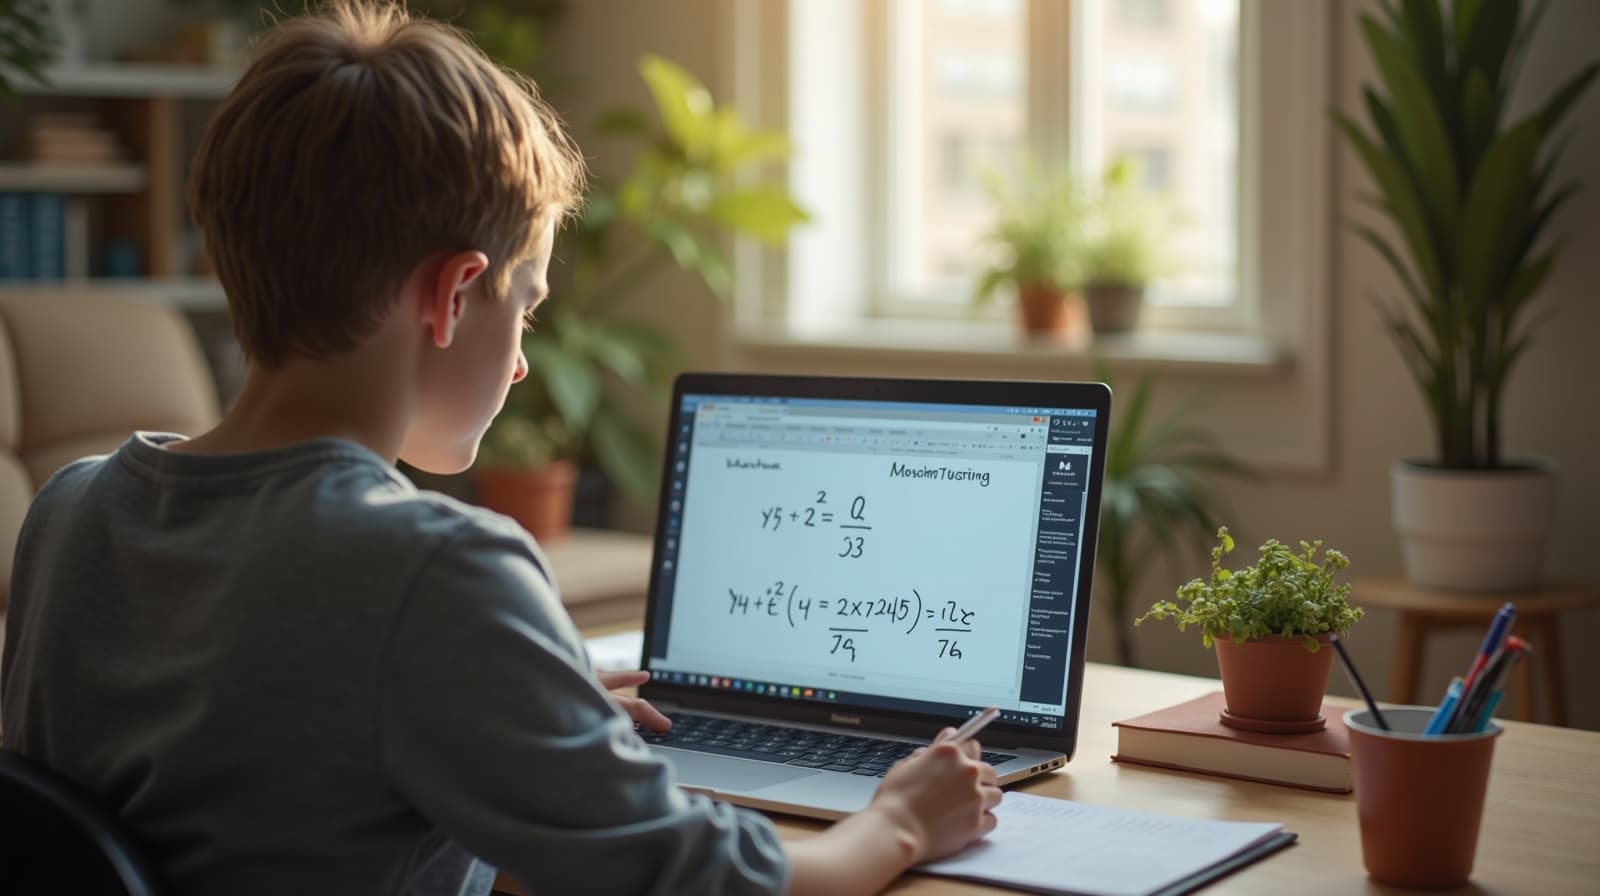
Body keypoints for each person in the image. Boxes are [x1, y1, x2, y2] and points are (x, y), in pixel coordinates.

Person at [0, 2, 1001, 894]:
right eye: (523, 307)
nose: (521, 362)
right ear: (449, 294)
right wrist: (901, 817)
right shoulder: (437, 567)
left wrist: (510, 697)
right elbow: (697, 877)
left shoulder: (73, 507)